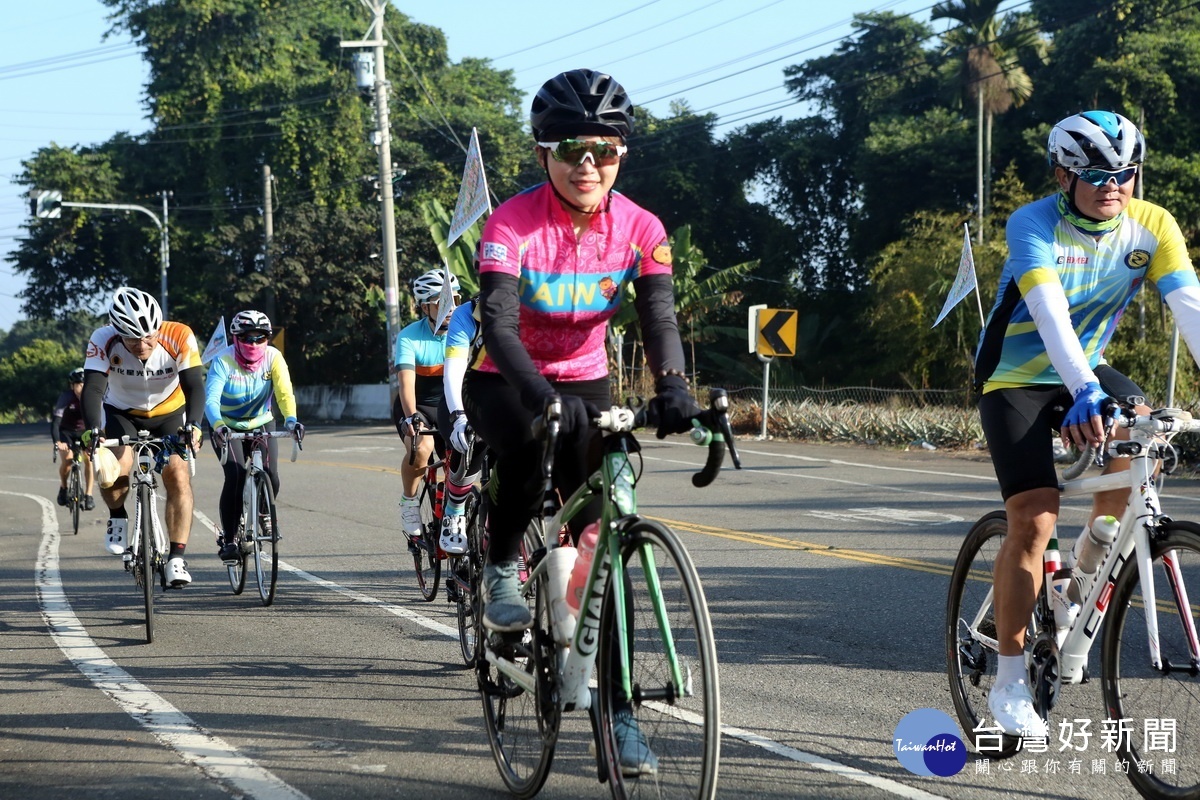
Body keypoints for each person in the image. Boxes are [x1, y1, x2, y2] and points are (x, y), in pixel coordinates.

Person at [464, 68, 701, 775]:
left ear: (621, 152)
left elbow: (658, 316)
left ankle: (619, 715)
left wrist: (675, 386)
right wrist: (538, 395)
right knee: (519, 445)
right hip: (506, 378)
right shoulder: (511, 225)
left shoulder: (642, 228)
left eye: (602, 147)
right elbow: (500, 326)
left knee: (607, 538)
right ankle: (503, 565)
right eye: (570, 150)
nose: (587, 163)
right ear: (544, 155)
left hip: (588, 381)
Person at [974, 110, 1200, 737]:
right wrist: (1083, 391)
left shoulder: (1152, 226)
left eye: (1126, 173)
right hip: (1016, 378)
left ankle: (1077, 577)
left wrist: (1093, 386)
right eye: (1097, 174)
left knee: (1138, 457)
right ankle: (1010, 679)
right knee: (1034, 517)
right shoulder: (1032, 223)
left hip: (1092, 369)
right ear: (1064, 174)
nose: (1114, 186)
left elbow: (1190, 309)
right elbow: (1048, 314)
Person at [82, 286, 204, 587]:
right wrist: (92, 428)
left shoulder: (179, 335)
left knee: (177, 474)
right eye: (133, 338)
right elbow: (94, 388)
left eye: (149, 335)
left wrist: (196, 425)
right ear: (117, 331)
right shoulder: (103, 338)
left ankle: (176, 557)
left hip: (170, 412)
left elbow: (194, 385)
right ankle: (118, 517)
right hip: (123, 412)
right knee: (114, 470)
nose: (143, 344)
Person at [204, 310, 303, 563]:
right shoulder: (223, 360)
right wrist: (217, 425)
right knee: (235, 475)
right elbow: (211, 399)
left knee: (272, 475)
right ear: (235, 338)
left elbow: (284, 394)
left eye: (260, 338)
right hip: (225, 425)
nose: (254, 344)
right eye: (248, 338)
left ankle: (262, 514)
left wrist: (291, 420)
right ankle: (228, 539)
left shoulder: (274, 358)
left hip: (261, 421)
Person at [393, 268, 459, 543]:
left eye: (454, 299)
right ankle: (409, 503)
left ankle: (459, 513)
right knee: (422, 448)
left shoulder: (464, 330)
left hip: (452, 404)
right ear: (424, 307)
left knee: (465, 458)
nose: (450, 308)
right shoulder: (409, 336)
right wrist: (412, 418)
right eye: (441, 302)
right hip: (417, 405)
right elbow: (406, 385)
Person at [438, 292, 487, 557]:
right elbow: (454, 369)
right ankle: (455, 510)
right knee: (473, 437)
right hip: (466, 393)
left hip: (511, 392)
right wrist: (459, 416)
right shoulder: (467, 314)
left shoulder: (536, 308)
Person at [51, 367, 95, 510]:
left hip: (84, 431)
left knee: (89, 459)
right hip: (67, 432)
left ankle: (89, 495)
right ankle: (64, 487)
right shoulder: (66, 397)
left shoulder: (91, 397)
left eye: (83, 384)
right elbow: (56, 421)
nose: (80, 387)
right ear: (72, 385)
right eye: (78, 384)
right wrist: (58, 442)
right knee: (68, 461)